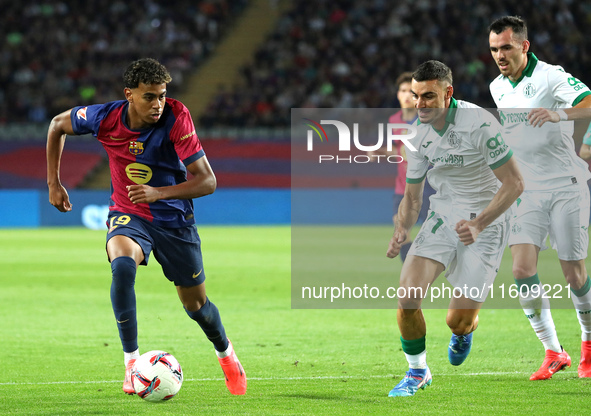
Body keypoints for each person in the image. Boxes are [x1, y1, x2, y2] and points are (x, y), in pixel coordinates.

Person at [46, 58, 247, 395]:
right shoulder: (105, 118)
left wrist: (159, 193)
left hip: (173, 220)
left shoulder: (176, 117)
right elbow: (56, 125)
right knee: (122, 266)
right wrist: (53, 182)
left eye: (162, 96)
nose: (158, 104)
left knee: (196, 306)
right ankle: (131, 363)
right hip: (129, 212)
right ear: (129, 95)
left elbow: (208, 181)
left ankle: (226, 354)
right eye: (149, 97)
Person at [386, 60, 524, 397]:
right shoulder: (416, 135)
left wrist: (479, 224)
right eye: (417, 96)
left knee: (456, 321)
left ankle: (464, 332)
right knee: (407, 296)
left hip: (488, 222)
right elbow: (413, 196)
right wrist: (403, 226)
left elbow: (515, 184)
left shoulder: (479, 124)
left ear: (449, 93)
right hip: (444, 216)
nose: (420, 104)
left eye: (429, 96)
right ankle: (417, 372)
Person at [488, 15, 591, 380]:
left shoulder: (551, 76)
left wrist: (558, 113)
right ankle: (553, 351)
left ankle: (589, 346)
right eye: (494, 49)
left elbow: (589, 103)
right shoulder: (496, 87)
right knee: (521, 269)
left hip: (566, 185)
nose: (499, 55)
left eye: (506, 48)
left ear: (524, 46)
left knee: (574, 273)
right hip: (527, 189)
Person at [369, 72, 434, 262]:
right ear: (397, 94)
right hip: (403, 187)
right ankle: (409, 268)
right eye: (403, 90)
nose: (406, 95)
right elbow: (401, 150)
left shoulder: (427, 120)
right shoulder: (394, 120)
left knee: (429, 235)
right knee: (400, 231)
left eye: (411, 92)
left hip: (427, 187)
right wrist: (380, 152)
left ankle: (421, 268)